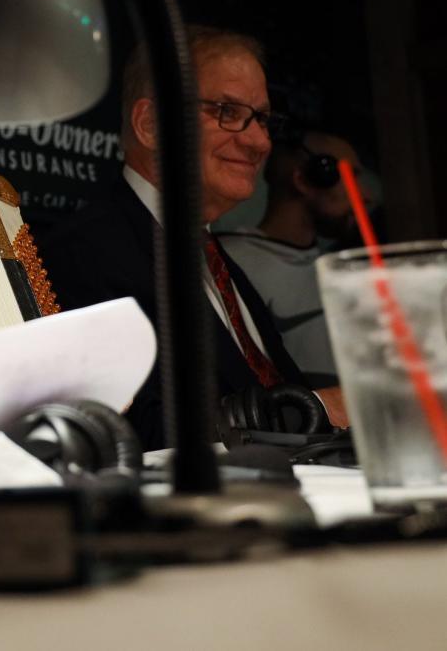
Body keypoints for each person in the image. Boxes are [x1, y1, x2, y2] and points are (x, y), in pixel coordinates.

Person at [37, 26, 349, 450]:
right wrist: (315, 407)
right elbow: (127, 437)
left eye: (262, 119)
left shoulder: (216, 259)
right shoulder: (83, 253)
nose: (260, 141)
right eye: (228, 112)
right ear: (151, 125)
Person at [218, 131, 373, 383]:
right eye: (351, 176)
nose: (365, 195)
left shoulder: (338, 271)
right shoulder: (228, 263)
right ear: (305, 180)